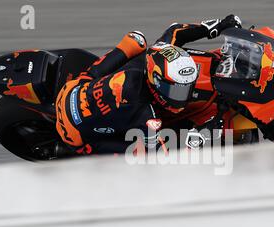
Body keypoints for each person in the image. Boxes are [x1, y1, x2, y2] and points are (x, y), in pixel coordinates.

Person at [55, 15, 242, 154]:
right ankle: (82, 152)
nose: (183, 97)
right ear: (157, 80)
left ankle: (88, 77)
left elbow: (175, 31)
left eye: (186, 88)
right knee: (142, 152)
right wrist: (200, 135)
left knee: (136, 41)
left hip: (75, 87)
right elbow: (164, 156)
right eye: (177, 90)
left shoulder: (155, 54)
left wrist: (216, 26)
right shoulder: (145, 113)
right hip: (75, 132)